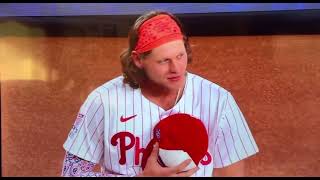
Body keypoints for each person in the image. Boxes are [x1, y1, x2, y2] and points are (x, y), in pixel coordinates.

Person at [61, 10, 259, 177]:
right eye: (164, 61)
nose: (176, 68)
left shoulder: (219, 101)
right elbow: (71, 172)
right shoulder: (103, 101)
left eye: (180, 56)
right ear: (138, 60)